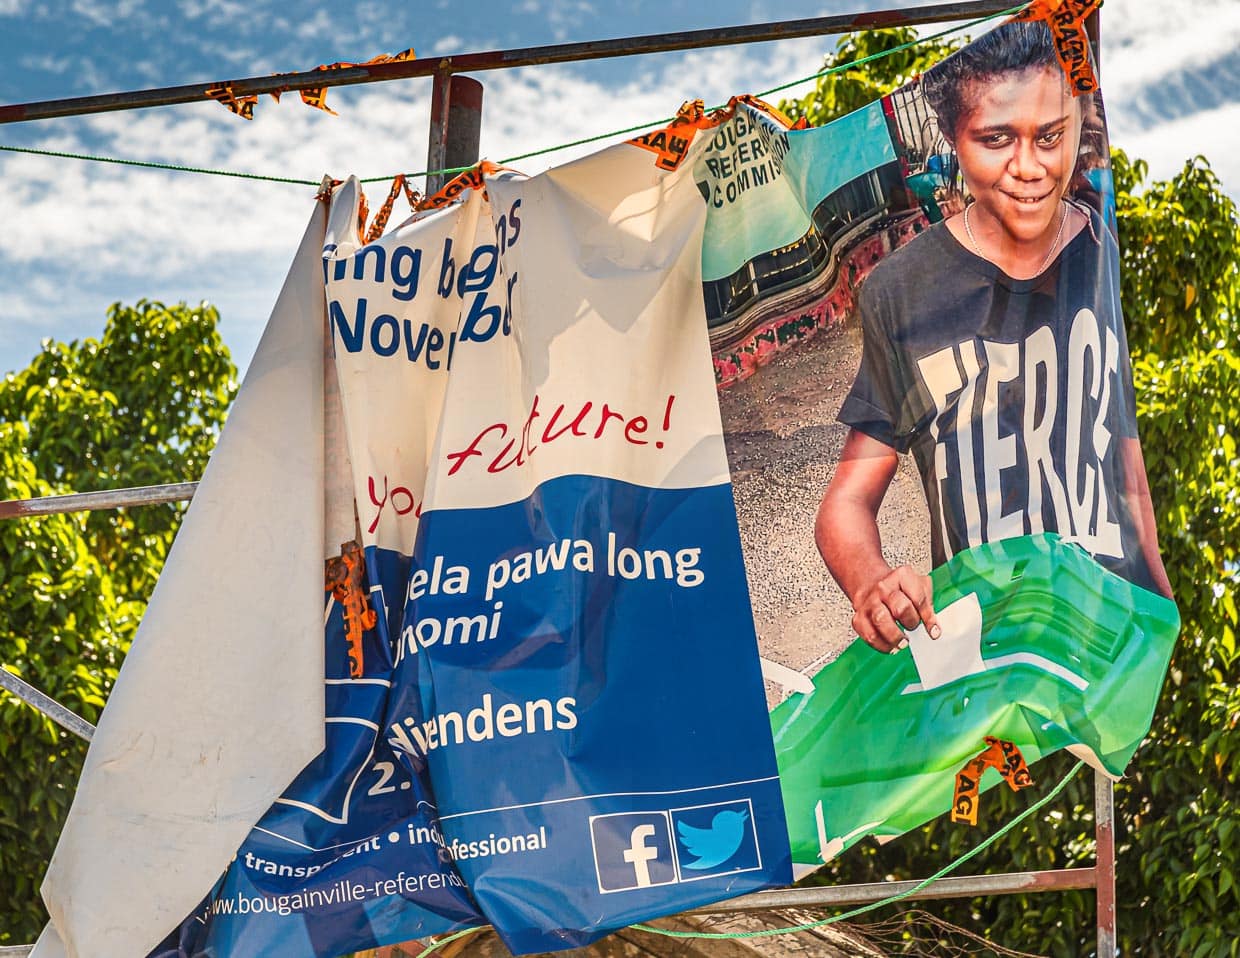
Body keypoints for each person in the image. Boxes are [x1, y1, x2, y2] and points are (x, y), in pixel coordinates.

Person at [815, 20, 1173, 655]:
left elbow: (1125, 458)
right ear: (954, 139)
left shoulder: (1096, 247)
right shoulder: (901, 291)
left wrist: (1162, 613)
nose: (1029, 167)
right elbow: (845, 504)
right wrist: (872, 582)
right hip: (979, 663)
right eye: (996, 139)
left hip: (1104, 647)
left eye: (1050, 136)